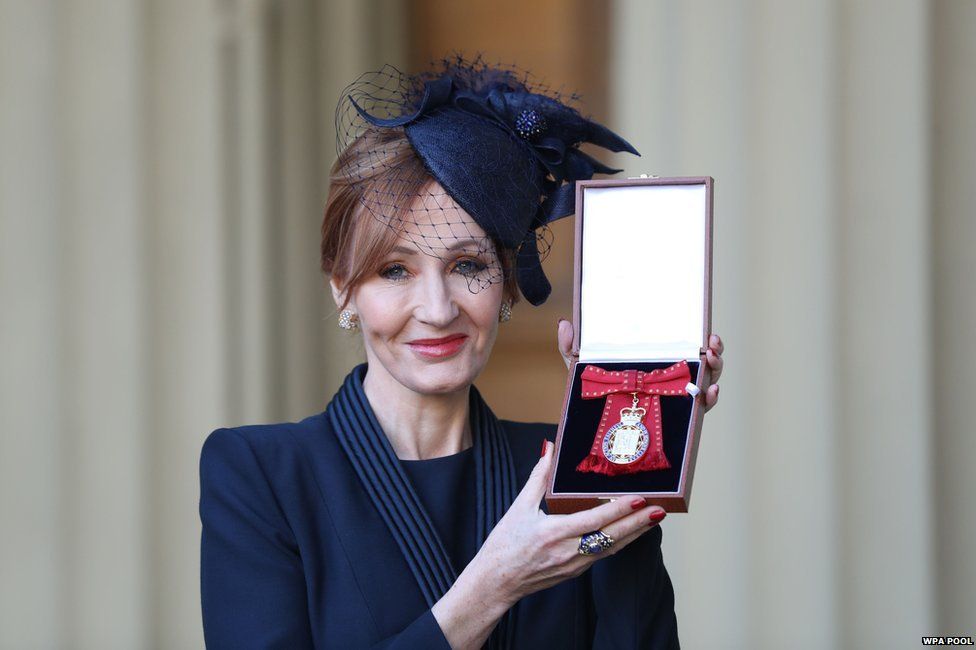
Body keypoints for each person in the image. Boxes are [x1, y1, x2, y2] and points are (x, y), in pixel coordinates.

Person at [199, 55, 724, 649]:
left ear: (505, 279)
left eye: (468, 265)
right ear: (342, 286)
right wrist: (492, 586)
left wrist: (637, 449)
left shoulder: (564, 467)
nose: (438, 308)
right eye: (394, 270)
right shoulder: (261, 476)